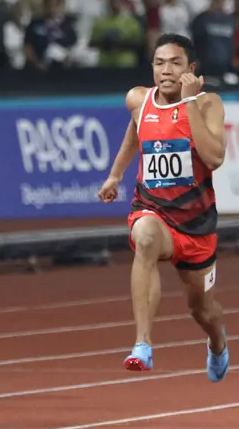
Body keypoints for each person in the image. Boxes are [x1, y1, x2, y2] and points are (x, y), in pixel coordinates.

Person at [96, 33, 230, 381]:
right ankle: (142, 345)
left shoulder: (207, 104)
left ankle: (217, 342)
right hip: (153, 210)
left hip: (197, 226)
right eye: (159, 63)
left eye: (175, 63)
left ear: (191, 69)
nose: (166, 70)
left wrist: (187, 104)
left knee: (202, 310)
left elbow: (214, 158)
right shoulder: (139, 99)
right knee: (144, 239)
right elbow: (136, 131)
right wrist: (115, 175)